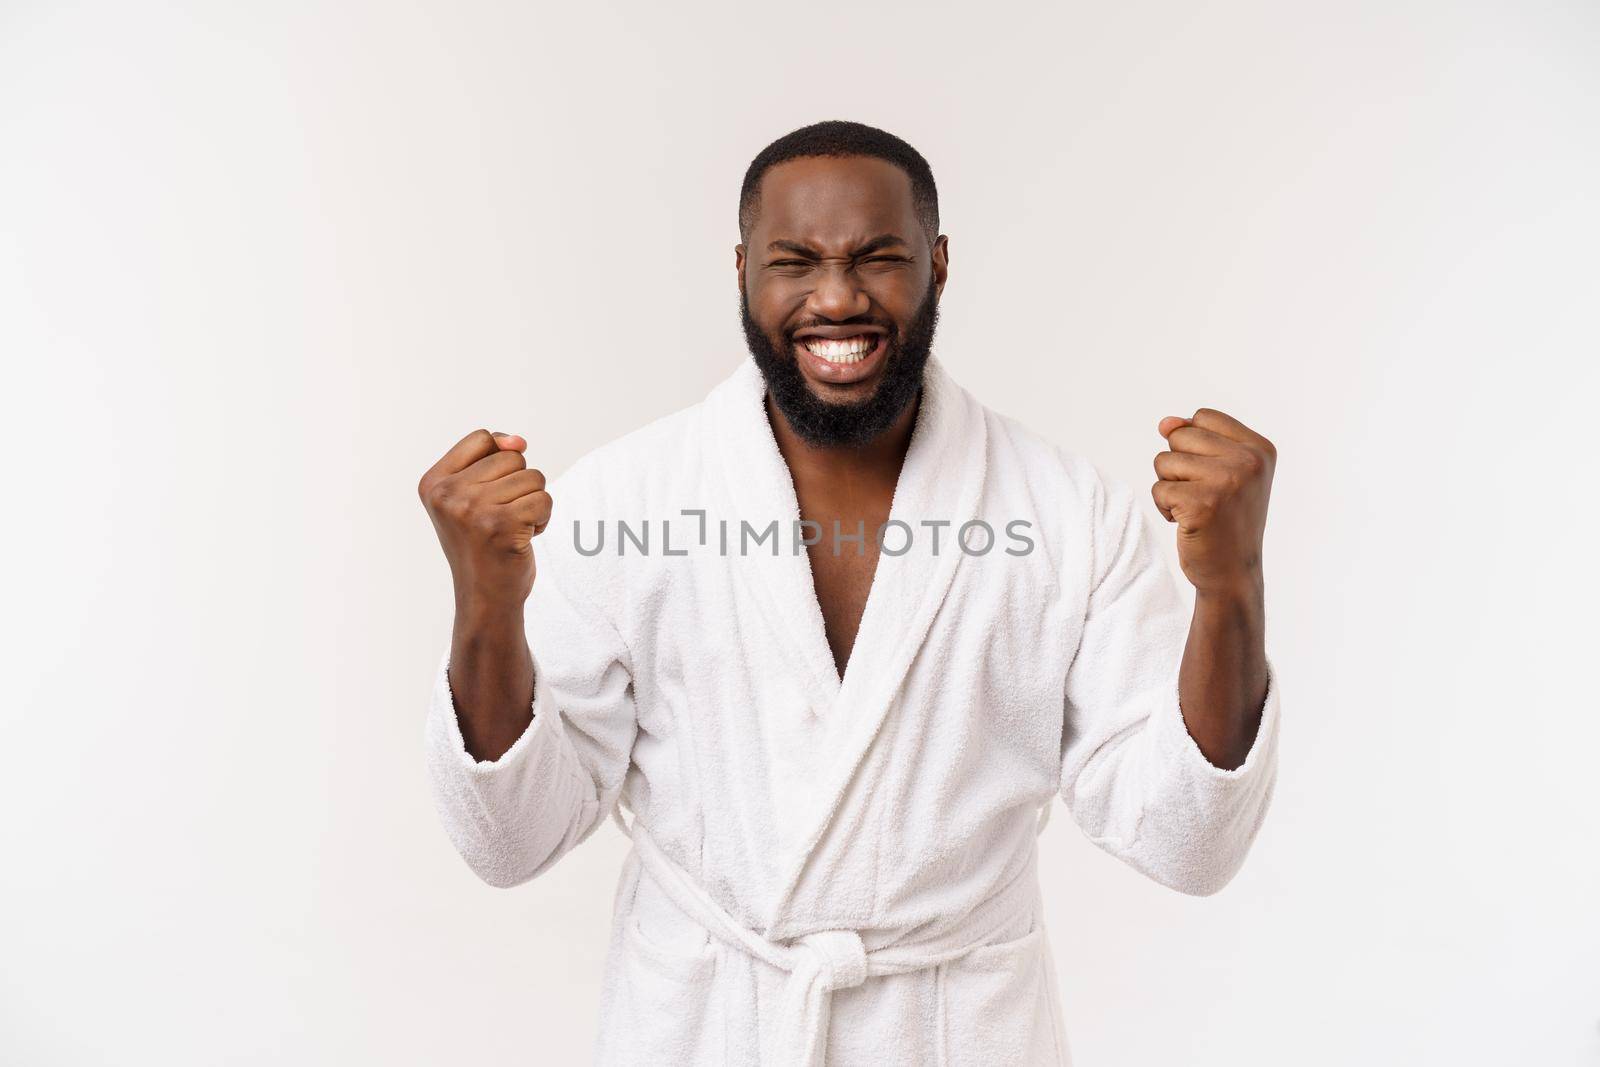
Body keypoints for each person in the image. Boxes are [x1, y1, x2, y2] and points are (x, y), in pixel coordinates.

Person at [417, 120, 1281, 1066]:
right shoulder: (628, 501)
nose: (836, 297)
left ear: (938, 266)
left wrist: (1230, 588)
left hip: (962, 1033)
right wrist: (487, 604)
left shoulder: (1066, 516)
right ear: (742, 270)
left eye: (879, 258)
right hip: (706, 1031)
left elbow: (1190, 844)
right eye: (796, 262)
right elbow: (511, 840)